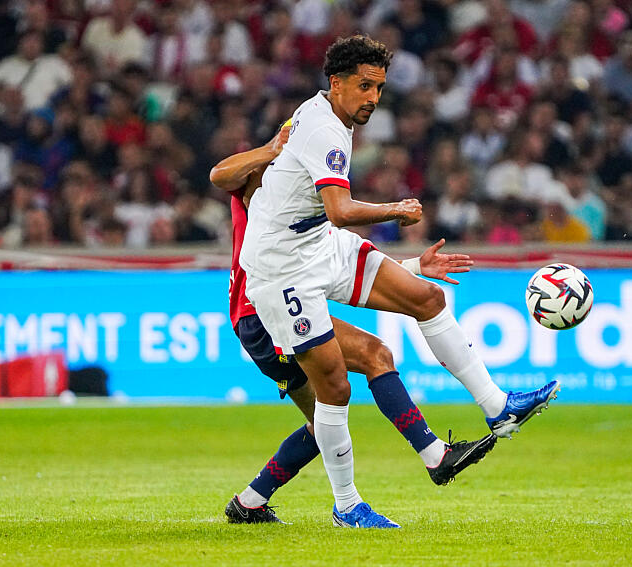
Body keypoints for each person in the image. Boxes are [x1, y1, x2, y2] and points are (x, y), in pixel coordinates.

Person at [239, 35, 560, 528]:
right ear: (336, 83)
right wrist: (397, 208)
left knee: (426, 297)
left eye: (380, 88)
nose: (373, 98)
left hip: (317, 244)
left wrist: (408, 265)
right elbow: (341, 210)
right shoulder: (324, 130)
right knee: (335, 389)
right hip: (281, 271)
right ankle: (346, 506)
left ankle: (497, 408)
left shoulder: (324, 115)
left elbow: (327, 215)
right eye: (365, 86)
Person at [211, 122, 496, 525]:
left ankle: (250, 502)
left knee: (322, 422)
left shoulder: (308, 196)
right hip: (262, 314)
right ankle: (422, 462)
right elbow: (220, 174)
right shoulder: (265, 180)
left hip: (271, 309)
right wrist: (272, 148)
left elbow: (329, 265)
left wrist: (414, 266)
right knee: (368, 364)